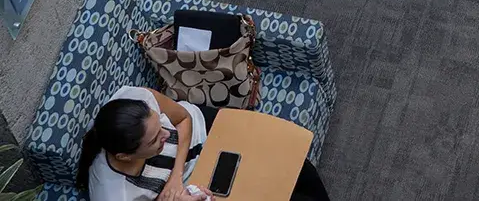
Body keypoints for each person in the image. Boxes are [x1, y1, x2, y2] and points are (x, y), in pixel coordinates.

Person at [76, 86, 329, 201]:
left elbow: (182, 118)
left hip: (203, 128)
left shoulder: (134, 98)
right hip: (195, 176)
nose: (166, 132)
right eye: (155, 139)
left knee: (298, 165)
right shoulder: (114, 194)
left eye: (161, 124)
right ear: (124, 156)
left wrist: (174, 175)